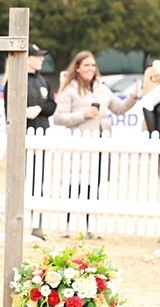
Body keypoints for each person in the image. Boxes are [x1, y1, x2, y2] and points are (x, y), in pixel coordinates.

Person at [52, 50, 140, 238]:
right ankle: (66, 225)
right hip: (79, 145)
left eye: (93, 65)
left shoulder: (102, 87)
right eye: (86, 65)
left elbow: (118, 109)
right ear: (77, 68)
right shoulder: (69, 90)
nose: (91, 69)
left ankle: (90, 227)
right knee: (73, 185)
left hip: (100, 143)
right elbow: (58, 118)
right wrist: (83, 115)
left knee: (95, 185)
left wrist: (132, 98)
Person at [24, 43, 57, 238]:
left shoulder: (44, 81)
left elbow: (52, 105)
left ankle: (37, 225)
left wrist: (39, 109)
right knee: (25, 181)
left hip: (42, 135)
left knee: (39, 181)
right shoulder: (16, 81)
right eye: (38, 56)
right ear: (28, 58)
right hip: (25, 137)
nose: (42, 59)